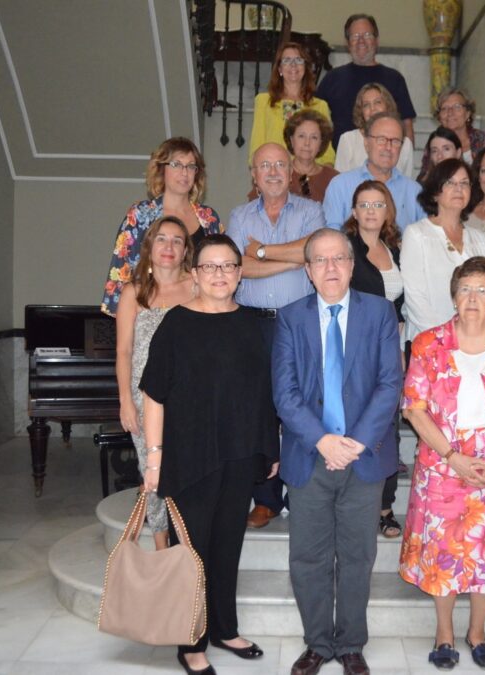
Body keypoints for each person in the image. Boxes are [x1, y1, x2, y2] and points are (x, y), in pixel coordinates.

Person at [141, 234, 279, 675]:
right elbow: (153, 395)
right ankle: (190, 640)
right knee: (193, 550)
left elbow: (263, 394)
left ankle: (223, 627)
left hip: (240, 452)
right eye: (209, 267)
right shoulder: (176, 323)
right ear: (195, 274)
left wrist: (268, 448)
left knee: (227, 546)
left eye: (228, 266)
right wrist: (154, 458)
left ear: (239, 273)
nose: (219, 274)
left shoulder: (253, 323)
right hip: (189, 455)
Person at [399, 257, 485, 671]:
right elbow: (415, 409)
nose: (472, 298)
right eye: (465, 289)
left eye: (482, 290)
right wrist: (451, 456)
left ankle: (477, 632)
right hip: (445, 464)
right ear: (454, 297)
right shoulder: (429, 344)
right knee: (444, 554)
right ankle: (444, 632)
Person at [273, 228, 403, 675]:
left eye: (339, 259)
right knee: (307, 557)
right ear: (307, 270)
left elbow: (390, 384)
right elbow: (285, 393)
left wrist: (354, 443)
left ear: (352, 264)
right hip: (309, 457)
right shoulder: (289, 318)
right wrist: (323, 440)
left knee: (357, 556)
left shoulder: (381, 313)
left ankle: (350, 643)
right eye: (321, 261)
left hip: (363, 459)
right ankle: (316, 643)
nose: (331, 268)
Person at [227, 142, 328, 528]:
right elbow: (237, 268)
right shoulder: (239, 215)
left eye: (279, 165)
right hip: (251, 322)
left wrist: (264, 252)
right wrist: (289, 258)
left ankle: (302, 492)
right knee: (260, 410)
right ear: (253, 175)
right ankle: (265, 499)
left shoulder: (311, 210)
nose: (272, 171)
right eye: (263, 165)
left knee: (300, 405)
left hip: (299, 321)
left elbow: (312, 252)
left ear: (291, 172)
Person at [115, 216, 194, 551]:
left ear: (186, 250)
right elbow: (123, 351)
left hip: (190, 396)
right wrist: (125, 402)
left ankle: (189, 539)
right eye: (162, 239)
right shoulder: (135, 292)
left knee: (188, 468)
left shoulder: (196, 286)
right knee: (153, 471)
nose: (169, 247)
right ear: (150, 246)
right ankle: (162, 546)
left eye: (177, 241)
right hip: (144, 396)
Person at [342, 180, 405, 539]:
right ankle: (356, 505)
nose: (370, 211)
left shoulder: (393, 249)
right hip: (353, 351)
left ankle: (384, 506)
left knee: (387, 427)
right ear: (354, 211)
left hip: (388, 350)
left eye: (377, 204)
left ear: (387, 211)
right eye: (363, 204)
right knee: (354, 423)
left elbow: (396, 303)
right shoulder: (345, 249)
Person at [101, 137, 221, 316]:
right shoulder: (140, 214)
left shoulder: (209, 219)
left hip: (199, 313)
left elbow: (222, 270)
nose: (184, 172)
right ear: (161, 169)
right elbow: (121, 274)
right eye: (176, 165)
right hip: (149, 311)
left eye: (191, 166)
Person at [400, 158, 485, 344]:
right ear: (435, 193)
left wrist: (477, 335)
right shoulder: (416, 234)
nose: (459, 189)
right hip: (429, 341)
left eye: (464, 183)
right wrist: (445, 339)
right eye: (450, 182)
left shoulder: (480, 239)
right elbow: (415, 297)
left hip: (474, 342)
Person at [316, 14, 417, 148]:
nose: (361, 41)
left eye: (367, 35)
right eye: (355, 36)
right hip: (340, 163)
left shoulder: (394, 79)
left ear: (376, 40)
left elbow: (406, 126)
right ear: (347, 43)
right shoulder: (332, 78)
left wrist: (404, 161)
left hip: (385, 162)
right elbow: (315, 120)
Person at [323, 112, 424, 231]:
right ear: (366, 144)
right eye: (381, 140)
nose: (388, 147)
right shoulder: (340, 185)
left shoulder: (414, 192)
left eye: (395, 141)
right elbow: (331, 236)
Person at [249, 42, 335, 167]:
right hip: (274, 173)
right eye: (287, 60)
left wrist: (321, 178)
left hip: (309, 175)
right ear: (279, 69)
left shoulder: (320, 105)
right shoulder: (263, 101)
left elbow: (327, 153)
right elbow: (256, 148)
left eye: (299, 60)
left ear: (305, 67)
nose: (293, 64)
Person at [248, 109, 338, 203]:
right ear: (291, 140)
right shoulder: (274, 173)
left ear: (321, 143)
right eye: (301, 136)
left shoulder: (334, 179)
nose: (307, 143)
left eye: (314, 137)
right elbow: (253, 209)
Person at [334, 83, 415, 176]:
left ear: (388, 106)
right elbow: (340, 179)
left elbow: (407, 182)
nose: (372, 109)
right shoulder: (348, 139)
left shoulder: (404, 143)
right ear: (361, 112)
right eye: (366, 105)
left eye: (378, 102)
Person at [417, 89, 485, 179]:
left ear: (467, 113)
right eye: (444, 108)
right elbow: (423, 177)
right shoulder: (436, 142)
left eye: (457, 107)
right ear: (439, 116)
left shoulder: (484, 140)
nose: (450, 113)